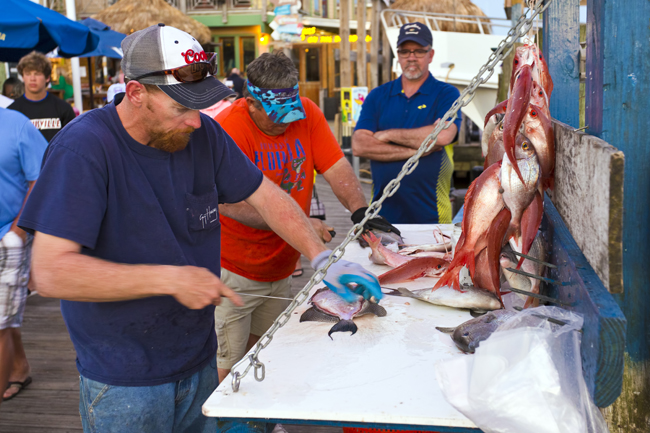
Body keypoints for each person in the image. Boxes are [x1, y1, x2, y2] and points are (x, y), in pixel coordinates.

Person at [18, 24, 382, 433]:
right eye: (181, 108)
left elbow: (267, 196)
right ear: (136, 93)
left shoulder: (204, 134)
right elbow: (49, 272)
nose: (195, 122)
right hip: (124, 377)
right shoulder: (83, 148)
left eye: (200, 106)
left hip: (198, 358)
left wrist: (321, 258)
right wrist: (170, 279)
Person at [213, 51, 400, 385]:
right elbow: (223, 203)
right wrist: (300, 222)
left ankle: (262, 422)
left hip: (282, 267)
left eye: (291, 112)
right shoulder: (226, 129)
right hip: (233, 271)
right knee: (226, 362)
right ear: (251, 103)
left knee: (267, 353)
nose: (286, 121)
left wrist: (360, 212)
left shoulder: (308, 114)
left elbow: (337, 167)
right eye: (276, 115)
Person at [352, 22, 462, 224]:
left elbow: (443, 136)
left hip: (433, 218)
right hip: (381, 217)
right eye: (405, 51)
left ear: (431, 54)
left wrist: (386, 135)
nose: (411, 57)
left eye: (419, 51)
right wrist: (416, 151)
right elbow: (359, 145)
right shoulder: (378, 95)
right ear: (398, 55)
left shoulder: (446, 94)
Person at [0, 108, 49, 402]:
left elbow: (42, 177)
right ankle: (18, 368)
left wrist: (19, 230)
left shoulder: (15, 124)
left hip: (8, 237)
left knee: (1, 323)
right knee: (4, 316)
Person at [8, 52, 76, 143]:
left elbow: (73, 143)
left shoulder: (64, 109)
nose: (32, 78)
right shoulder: (13, 111)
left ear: (47, 78)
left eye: (37, 74)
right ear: (23, 77)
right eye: (28, 74)